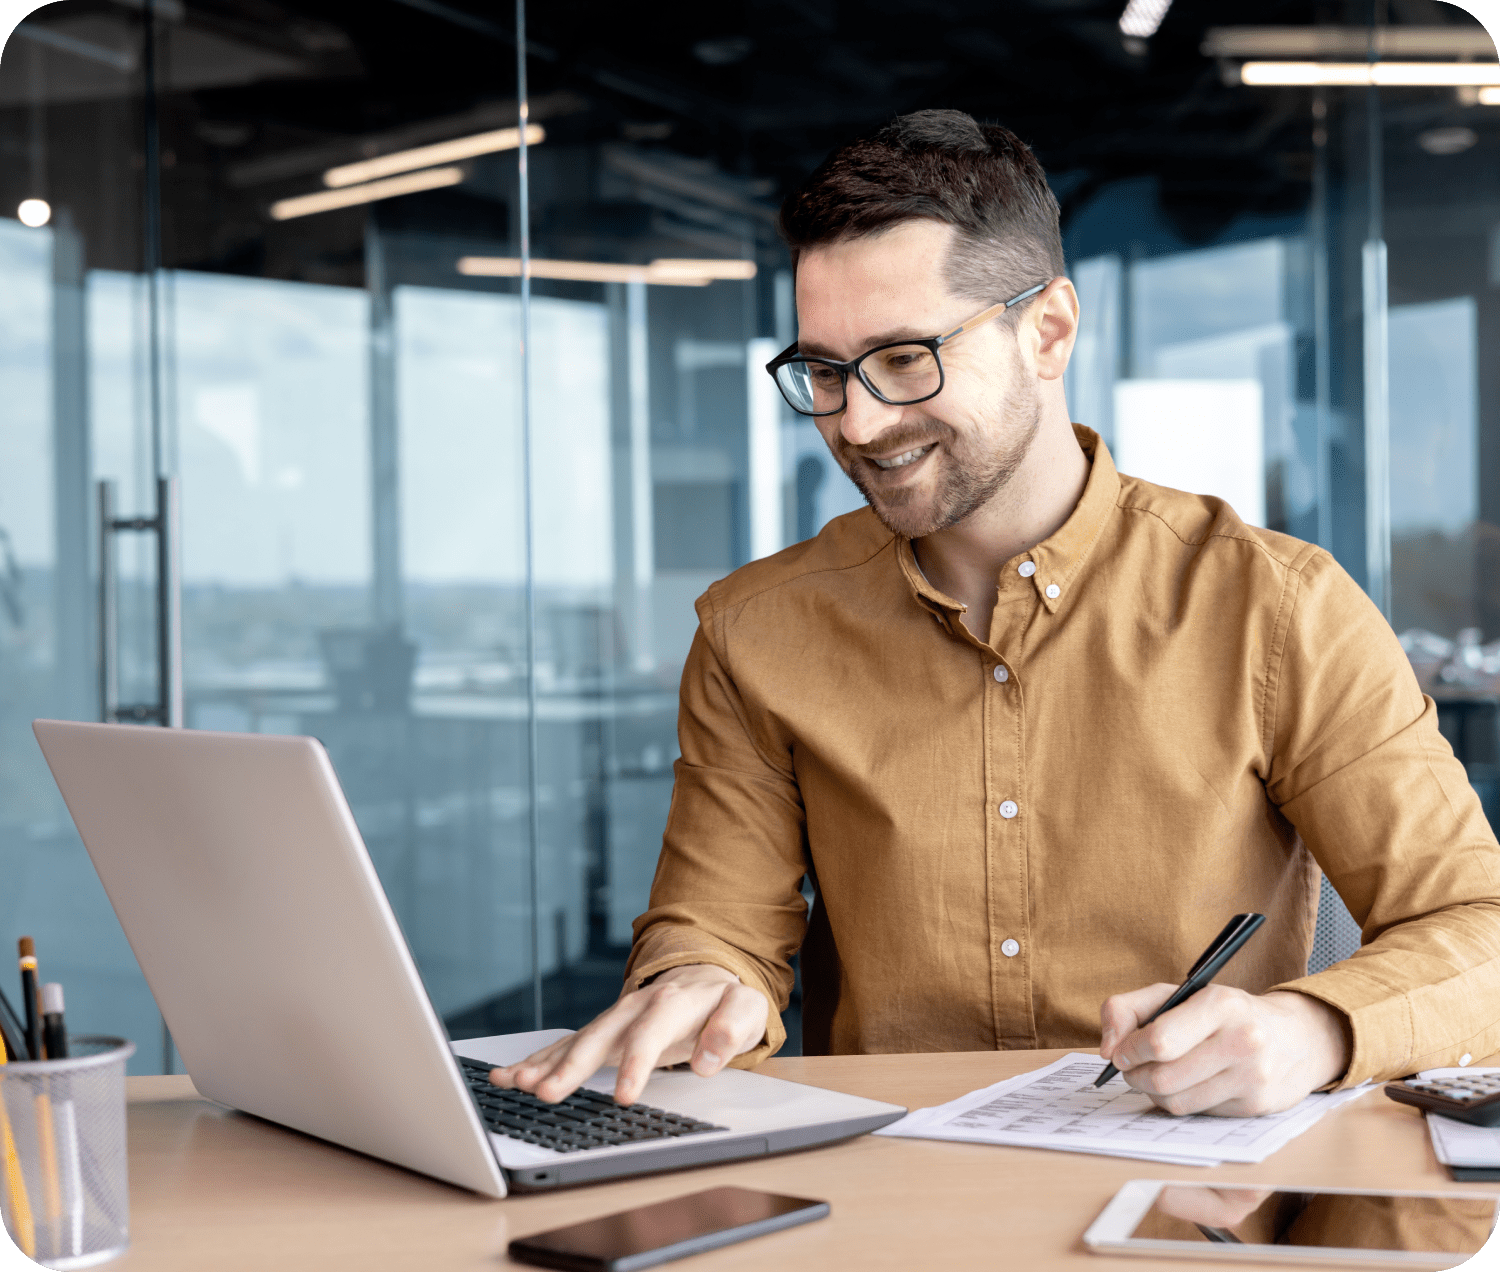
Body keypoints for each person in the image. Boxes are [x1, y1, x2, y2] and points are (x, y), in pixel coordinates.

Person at [492, 109, 1500, 1117]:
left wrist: (1313, 1030)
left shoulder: (1277, 609)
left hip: (1194, 1212)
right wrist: (703, 981)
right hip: (893, 1204)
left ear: (1049, 331)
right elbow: (714, 927)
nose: (859, 421)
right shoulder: (754, 631)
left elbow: (1479, 927)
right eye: (826, 372)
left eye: (903, 359)